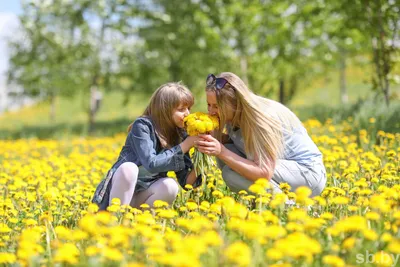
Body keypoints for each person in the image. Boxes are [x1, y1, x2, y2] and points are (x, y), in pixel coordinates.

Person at [196, 72, 326, 197]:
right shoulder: (234, 115)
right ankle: (262, 201)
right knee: (226, 150)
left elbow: (264, 173)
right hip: (283, 169)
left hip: (308, 174)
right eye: (209, 105)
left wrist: (221, 151)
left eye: (216, 106)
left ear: (235, 103)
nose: (210, 111)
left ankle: (287, 206)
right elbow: (241, 141)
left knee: (230, 172)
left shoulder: (259, 118)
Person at [92, 82, 201, 210]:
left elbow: (187, 182)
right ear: (164, 110)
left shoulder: (179, 135)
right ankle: (115, 222)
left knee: (170, 186)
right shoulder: (142, 126)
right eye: (181, 109)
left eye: (189, 108)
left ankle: (141, 225)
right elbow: (151, 163)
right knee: (129, 169)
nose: (187, 114)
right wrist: (185, 145)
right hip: (114, 198)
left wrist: (202, 159)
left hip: (141, 196)